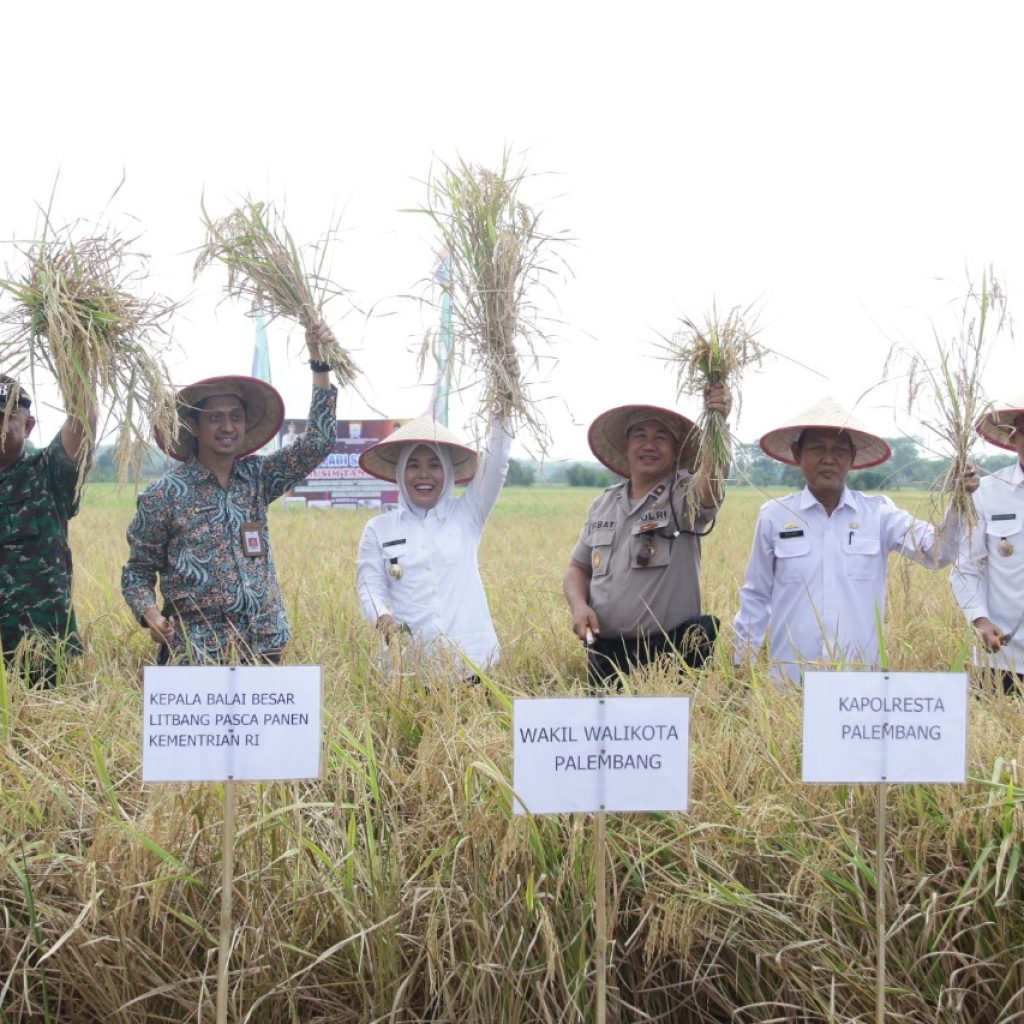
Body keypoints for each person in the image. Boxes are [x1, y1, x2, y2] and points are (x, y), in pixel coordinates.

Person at [121, 322, 338, 665]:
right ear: (194, 426)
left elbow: (318, 443)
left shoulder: (258, 477)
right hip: (195, 651)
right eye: (216, 418)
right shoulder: (164, 495)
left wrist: (320, 365)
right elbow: (137, 572)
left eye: (236, 417)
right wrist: (151, 617)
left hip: (264, 644)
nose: (227, 426)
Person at [733, 397, 976, 684]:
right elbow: (757, 596)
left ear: (852, 457)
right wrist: (741, 666)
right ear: (798, 454)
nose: (828, 458)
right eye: (817, 449)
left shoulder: (879, 514)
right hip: (789, 681)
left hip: (859, 685)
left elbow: (938, 552)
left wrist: (960, 500)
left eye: (838, 450)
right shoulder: (774, 516)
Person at [563, 387, 731, 687]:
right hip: (607, 655)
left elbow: (711, 485)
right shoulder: (604, 504)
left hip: (670, 658)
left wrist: (717, 421)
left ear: (677, 449)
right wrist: (579, 605)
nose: (649, 445)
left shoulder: (682, 497)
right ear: (626, 445)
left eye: (661, 437)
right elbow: (579, 568)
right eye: (640, 435)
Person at [355, 411, 512, 677]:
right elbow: (369, 585)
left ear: (448, 472)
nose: (424, 475)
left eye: (434, 465)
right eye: (413, 465)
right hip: (410, 668)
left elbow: (496, 464)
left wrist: (503, 410)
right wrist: (382, 617)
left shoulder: (467, 515)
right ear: (400, 472)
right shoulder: (379, 529)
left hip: (474, 663)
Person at [0, 376, 96, 686]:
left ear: (28, 426)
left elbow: (83, 419)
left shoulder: (47, 473)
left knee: (39, 731)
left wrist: (75, 355)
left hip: (37, 651)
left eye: (4, 418)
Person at [951, 395, 1024, 694]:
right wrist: (980, 620)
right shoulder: (989, 492)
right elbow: (965, 567)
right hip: (1002, 659)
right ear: (1014, 435)